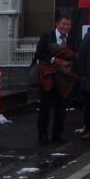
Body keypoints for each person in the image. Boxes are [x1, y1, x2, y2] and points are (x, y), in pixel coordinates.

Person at [34, 15, 78, 144]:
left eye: (68, 25)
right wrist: (55, 60)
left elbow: (74, 55)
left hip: (64, 78)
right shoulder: (47, 36)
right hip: (48, 76)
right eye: (64, 24)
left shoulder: (71, 39)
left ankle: (57, 134)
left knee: (61, 108)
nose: (66, 27)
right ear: (57, 24)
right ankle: (42, 134)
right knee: (45, 107)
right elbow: (39, 54)